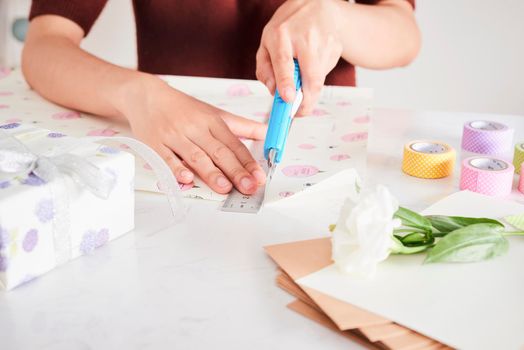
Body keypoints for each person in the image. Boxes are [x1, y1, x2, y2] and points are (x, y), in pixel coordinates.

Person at [22, 0, 420, 195]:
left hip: (324, 157)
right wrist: (137, 94)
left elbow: (404, 34)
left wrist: (338, 18)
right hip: (168, 148)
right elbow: (44, 47)